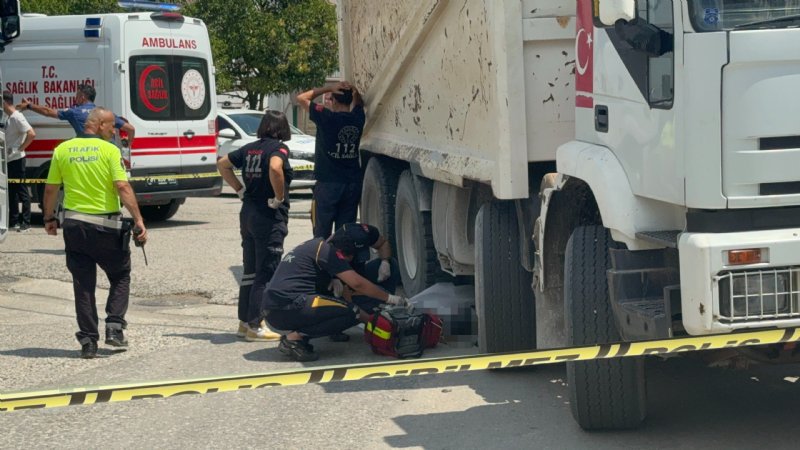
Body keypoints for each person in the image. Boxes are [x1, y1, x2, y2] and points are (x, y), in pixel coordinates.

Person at [42, 107, 148, 359]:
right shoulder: (109, 150)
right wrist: (138, 219)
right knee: (120, 275)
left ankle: (89, 341)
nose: (115, 130)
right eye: (112, 125)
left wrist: (49, 218)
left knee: (83, 285)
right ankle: (114, 327)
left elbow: (51, 189)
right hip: (105, 227)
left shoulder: (62, 149)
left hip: (74, 226)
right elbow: (122, 186)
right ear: (99, 125)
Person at [263, 223, 408, 362]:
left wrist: (385, 263)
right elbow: (357, 284)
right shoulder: (328, 252)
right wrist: (387, 305)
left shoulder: (324, 245)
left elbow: (351, 288)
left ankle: (347, 321)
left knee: (351, 308)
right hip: (285, 306)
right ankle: (294, 339)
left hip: (286, 303)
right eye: (350, 255)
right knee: (353, 312)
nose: (351, 259)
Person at [217, 110, 294, 342]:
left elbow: (222, 164)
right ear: (282, 128)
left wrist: (239, 189)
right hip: (268, 216)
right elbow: (275, 167)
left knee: (250, 271)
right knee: (266, 271)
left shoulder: (249, 148)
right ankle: (255, 325)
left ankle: (244, 322)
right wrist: (278, 197)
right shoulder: (279, 148)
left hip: (248, 213)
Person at [296, 80, 365, 239]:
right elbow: (358, 102)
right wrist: (353, 89)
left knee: (321, 233)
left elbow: (301, 98)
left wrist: (328, 88)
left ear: (333, 100)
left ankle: (322, 255)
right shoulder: (358, 117)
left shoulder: (326, 117)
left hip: (328, 184)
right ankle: (341, 255)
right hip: (351, 184)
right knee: (345, 233)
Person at [18, 83, 135, 142]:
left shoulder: (74, 112)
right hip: (106, 156)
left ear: (82, 97)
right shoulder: (106, 113)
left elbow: (47, 111)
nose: (75, 98)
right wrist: (128, 143)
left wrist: (29, 106)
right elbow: (131, 129)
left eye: (77, 95)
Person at [2, 91, 35, 232]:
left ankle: (26, 223)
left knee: (22, 191)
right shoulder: (9, 117)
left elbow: (31, 134)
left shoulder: (17, 117)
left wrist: (19, 149)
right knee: (12, 192)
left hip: (17, 159)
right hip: (9, 160)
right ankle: (14, 221)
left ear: (4, 102)